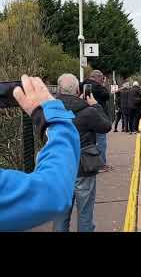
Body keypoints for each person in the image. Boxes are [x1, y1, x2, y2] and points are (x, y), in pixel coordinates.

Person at [0, 75, 80, 231]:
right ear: (77, 89)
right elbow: (52, 192)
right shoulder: (86, 107)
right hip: (73, 169)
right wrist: (55, 119)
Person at [52, 74, 111, 232]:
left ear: (58, 89)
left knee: (60, 215)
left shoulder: (50, 110)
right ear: (78, 89)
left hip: (59, 170)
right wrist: (96, 105)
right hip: (83, 168)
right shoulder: (87, 111)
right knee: (85, 213)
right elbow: (106, 126)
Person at [80, 70, 111, 172]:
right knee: (101, 142)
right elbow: (107, 95)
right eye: (102, 78)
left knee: (89, 142)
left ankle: (90, 164)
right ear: (97, 77)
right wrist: (103, 85)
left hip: (84, 117)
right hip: (97, 117)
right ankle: (101, 165)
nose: (102, 80)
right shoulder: (97, 87)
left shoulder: (82, 85)